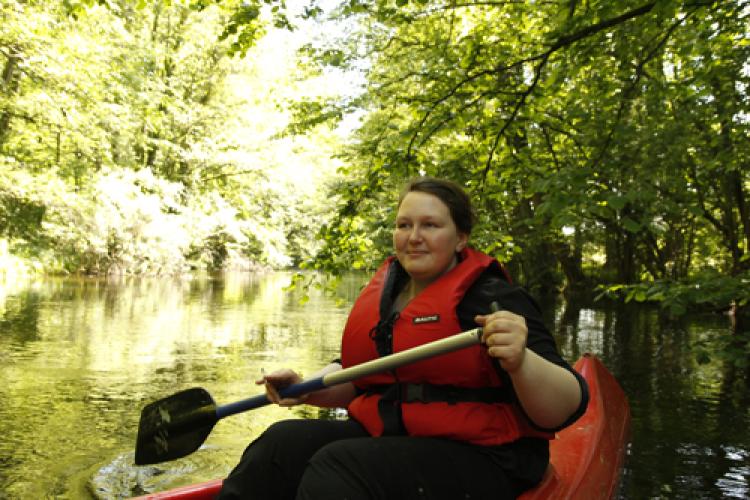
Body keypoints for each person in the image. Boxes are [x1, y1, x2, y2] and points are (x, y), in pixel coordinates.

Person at [218, 177, 588, 500]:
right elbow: (365, 377)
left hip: (489, 457)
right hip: (398, 439)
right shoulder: (389, 294)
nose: (413, 237)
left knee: (339, 466)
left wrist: (521, 360)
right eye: (404, 225)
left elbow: (565, 406)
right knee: (281, 444)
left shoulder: (493, 299)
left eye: (430, 225)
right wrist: (307, 387)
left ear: (461, 237)